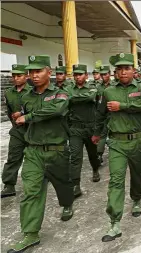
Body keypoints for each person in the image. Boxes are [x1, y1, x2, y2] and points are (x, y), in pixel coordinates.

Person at [8, 55, 74, 253]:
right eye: (31, 72)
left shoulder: (61, 94)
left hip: (57, 150)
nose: (34, 76)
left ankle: (67, 204)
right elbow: (19, 114)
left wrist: (27, 117)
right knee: (31, 192)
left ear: (49, 72)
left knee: (63, 184)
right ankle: (30, 233)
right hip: (34, 151)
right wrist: (19, 117)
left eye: (38, 71)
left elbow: (54, 111)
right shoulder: (26, 96)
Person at [92, 53, 141, 242]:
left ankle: (136, 199)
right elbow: (101, 115)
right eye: (120, 69)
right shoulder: (108, 91)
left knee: (138, 175)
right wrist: (97, 134)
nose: (124, 72)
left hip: (138, 141)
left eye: (127, 68)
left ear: (133, 71)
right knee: (116, 180)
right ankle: (114, 222)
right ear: (115, 72)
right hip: (117, 142)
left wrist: (123, 106)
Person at [67, 64, 101, 199]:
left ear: (86, 76)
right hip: (75, 128)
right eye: (75, 74)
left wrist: (73, 98)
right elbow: (67, 99)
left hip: (90, 127)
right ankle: (76, 184)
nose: (77, 77)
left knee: (93, 153)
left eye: (80, 74)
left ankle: (95, 169)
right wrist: (77, 97)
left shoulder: (93, 87)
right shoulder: (69, 88)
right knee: (75, 157)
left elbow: (90, 97)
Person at [1, 64, 31, 198]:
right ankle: (9, 185)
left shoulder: (33, 91)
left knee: (36, 157)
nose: (16, 78)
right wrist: (15, 123)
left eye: (19, 75)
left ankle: (41, 179)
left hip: (33, 130)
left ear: (26, 76)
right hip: (17, 131)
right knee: (13, 157)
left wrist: (23, 115)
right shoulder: (8, 93)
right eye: (14, 76)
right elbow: (9, 111)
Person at [96, 65, 115, 164]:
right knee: (102, 134)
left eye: (105, 74)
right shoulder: (98, 87)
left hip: (114, 113)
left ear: (109, 73)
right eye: (102, 74)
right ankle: (99, 154)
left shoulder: (115, 85)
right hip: (103, 113)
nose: (104, 76)